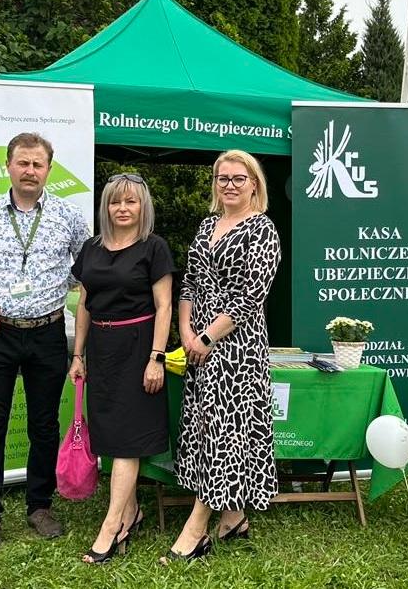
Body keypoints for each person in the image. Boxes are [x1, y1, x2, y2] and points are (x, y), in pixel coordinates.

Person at [0, 132, 89, 550]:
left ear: (49, 168)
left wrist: (62, 285)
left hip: (48, 332)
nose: (30, 171)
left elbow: (89, 268)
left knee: (44, 426)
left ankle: (39, 506)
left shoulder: (68, 216)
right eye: (23, 163)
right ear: (8, 166)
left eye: (37, 164)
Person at [163, 149, 281, 562]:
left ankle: (196, 531)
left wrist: (207, 337)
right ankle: (233, 518)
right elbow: (189, 283)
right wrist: (185, 332)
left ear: (254, 184)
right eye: (222, 178)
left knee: (225, 433)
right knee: (206, 428)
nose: (229, 185)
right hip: (198, 344)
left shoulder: (262, 230)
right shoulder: (207, 224)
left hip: (236, 348)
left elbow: (250, 298)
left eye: (238, 178)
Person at [68, 173, 175, 564]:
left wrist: (156, 357)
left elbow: (164, 306)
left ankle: (111, 527)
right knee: (109, 435)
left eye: (131, 201)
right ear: (106, 207)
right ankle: (131, 513)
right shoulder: (91, 248)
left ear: (143, 206)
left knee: (128, 438)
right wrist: (77, 355)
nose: (123, 208)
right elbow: (84, 304)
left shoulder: (153, 247)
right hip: (101, 348)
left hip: (139, 347)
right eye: (116, 201)